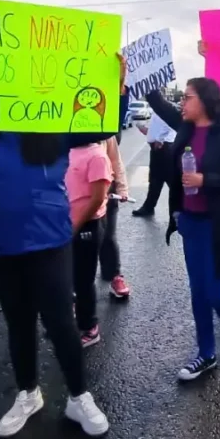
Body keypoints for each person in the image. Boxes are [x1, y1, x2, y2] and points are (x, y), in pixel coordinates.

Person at [0, 61, 128, 439]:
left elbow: (105, 123)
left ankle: (79, 397)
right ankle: (28, 393)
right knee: (19, 323)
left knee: (62, 323)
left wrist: (114, 84)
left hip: (48, 241)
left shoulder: (53, 127)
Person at [145, 78, 220, 381]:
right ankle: (205, 353)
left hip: (219, 225)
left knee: (215, 291)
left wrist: (207, 181)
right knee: (197, 292)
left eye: (187, 97)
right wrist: (137, 79)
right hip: (191, 222)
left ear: (204, 100)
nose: (182, 102)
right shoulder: (186, 127)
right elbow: (159, 103)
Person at [66, 140, 113, 347]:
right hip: (66, 225)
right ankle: (70, 320)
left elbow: (97, 198)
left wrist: (75, 226)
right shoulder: (67, 150)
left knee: (83, 279)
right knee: (68, 276)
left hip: (88, 226)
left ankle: (89, 327)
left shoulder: (97, 155)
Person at [99, 137, 131, 299]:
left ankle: (114, 276)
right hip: (76, 193)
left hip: (105, 192)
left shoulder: (106, 132)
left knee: (108, 237)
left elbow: (116, 161)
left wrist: (122, 189)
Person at [132, 112, 175, 218]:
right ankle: (148, 207)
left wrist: (160, 139)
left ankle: (182, 209)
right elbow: (157, 128)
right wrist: (146, 130)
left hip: (163, 146)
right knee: (155, 179)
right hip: (159, 147)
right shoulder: (156, 110)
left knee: (169, 179)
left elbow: (168, 123)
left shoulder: (161, 108)